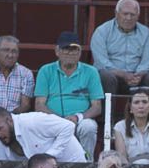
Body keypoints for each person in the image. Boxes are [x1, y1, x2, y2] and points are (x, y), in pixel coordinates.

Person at [34, 31, 105, 159]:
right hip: (53, 119)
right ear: (57, 51)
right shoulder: (46, 70)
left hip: (80, 121)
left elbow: (97, 107)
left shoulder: (91, 72)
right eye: (66, 49)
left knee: (89, 126)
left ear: (80, 52)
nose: (70, 53)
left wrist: (78, 117)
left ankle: (86, 163)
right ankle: (50, 163)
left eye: (74, 49)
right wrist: (58, 119)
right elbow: (39, 104)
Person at [89, 0, 149, 102]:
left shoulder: (146, 33)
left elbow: (146, 60)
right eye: (125, 14)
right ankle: (106, 118)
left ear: (138, 16)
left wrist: (139, 74)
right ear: (116, 14)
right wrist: (123, 75)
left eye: (132, 14)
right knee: (106, 76)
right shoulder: (102, 31)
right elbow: (101, 62)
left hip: (137, 76)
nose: (128, 18)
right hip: (113, 76)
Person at [0, 107, 87, 163]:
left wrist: (49, 156)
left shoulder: (33, 121)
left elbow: (68, 126)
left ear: (9, 120)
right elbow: (5, 166)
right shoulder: (0, 137)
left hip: (73, 165)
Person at [113, 90, 149, 164]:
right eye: (136, 102)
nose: (141, 106)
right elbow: (122, 155)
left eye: (144, 102)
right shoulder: (120, 127)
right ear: (130, 108)